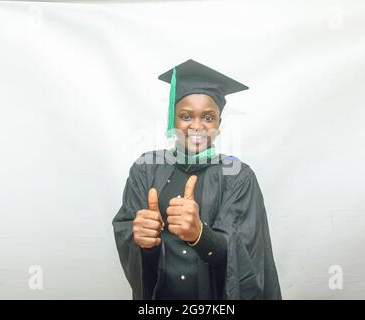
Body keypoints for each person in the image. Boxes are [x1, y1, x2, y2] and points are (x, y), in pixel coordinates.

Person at [113, 59, 281, 300]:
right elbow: (128, 231)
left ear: (219, 125)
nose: (197, 126)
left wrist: (200, 234)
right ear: (173, 120)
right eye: (186, 115)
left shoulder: (238, 176)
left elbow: (245, 255)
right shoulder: (145, 170)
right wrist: (140, 239)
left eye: (209, 117)